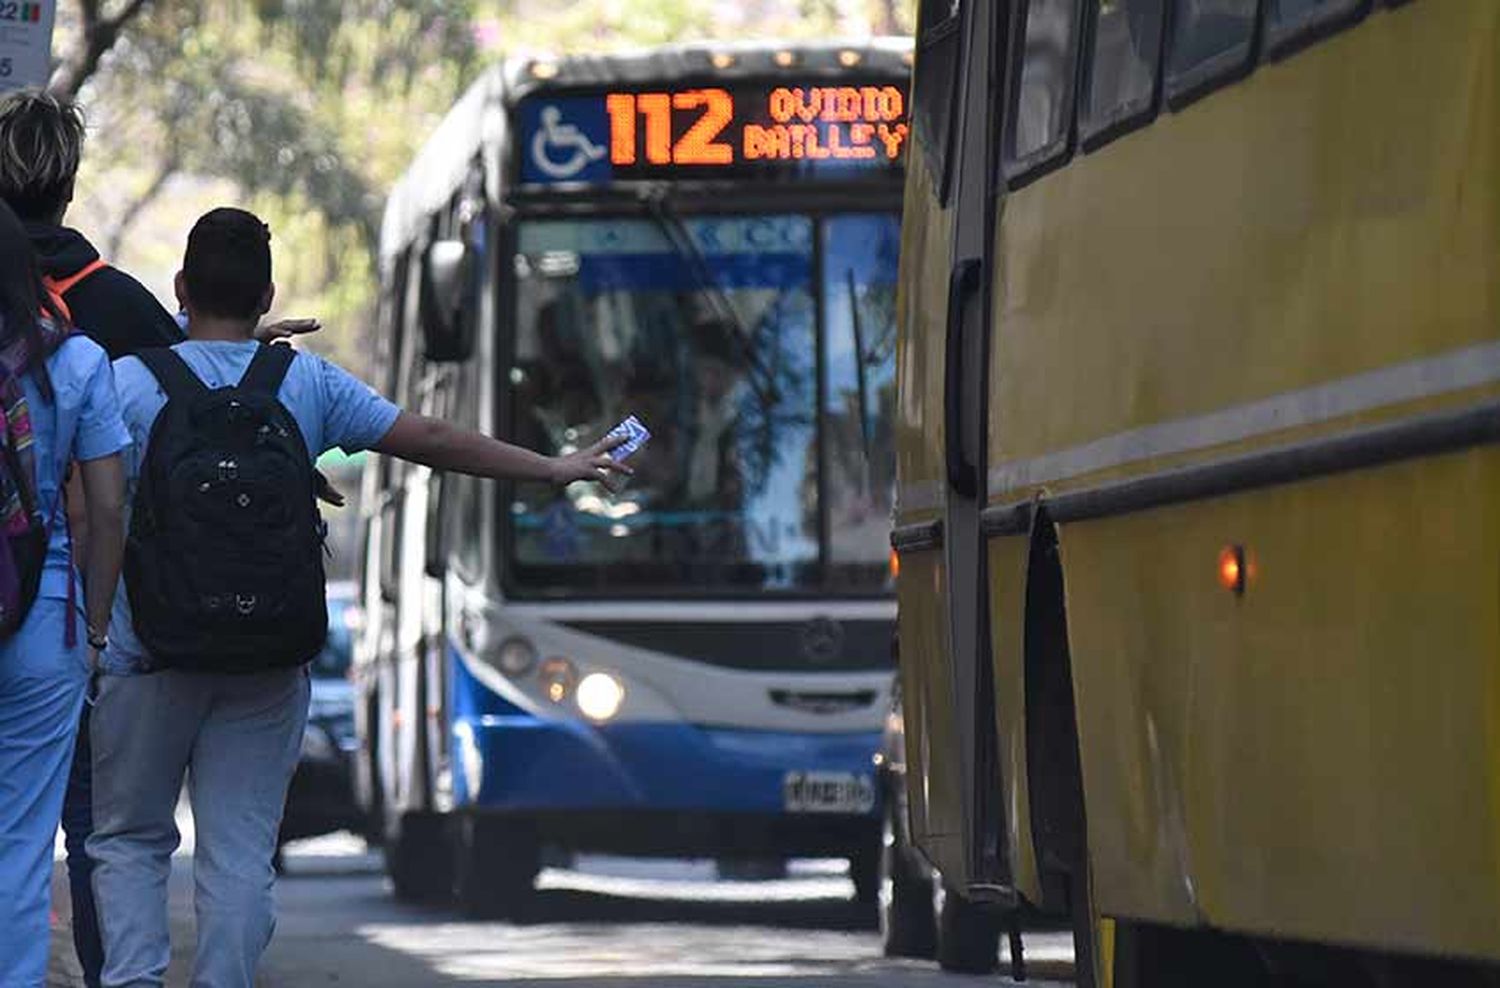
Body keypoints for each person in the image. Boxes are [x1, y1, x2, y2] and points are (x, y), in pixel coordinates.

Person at [87, 207, 628, 988]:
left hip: (148, 659)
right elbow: (432, 442)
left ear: (179, 287)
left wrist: (96, 628)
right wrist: (553, 467)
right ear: (267, 294)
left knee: (131, 840)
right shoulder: (303, 381)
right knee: (239, 850)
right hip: (269, 661)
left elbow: (92, 503)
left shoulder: (125, 383)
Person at [0, 89, 319, 987]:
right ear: (69, 182)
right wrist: (99, 627)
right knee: (91, 833)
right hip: (69, 620)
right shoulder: (119, 312)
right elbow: (117, 494)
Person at [0, 197, 128, 987]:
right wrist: (100, 626)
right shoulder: (78, 362)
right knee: (20, 841)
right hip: (44, 619)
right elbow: (106, 508)